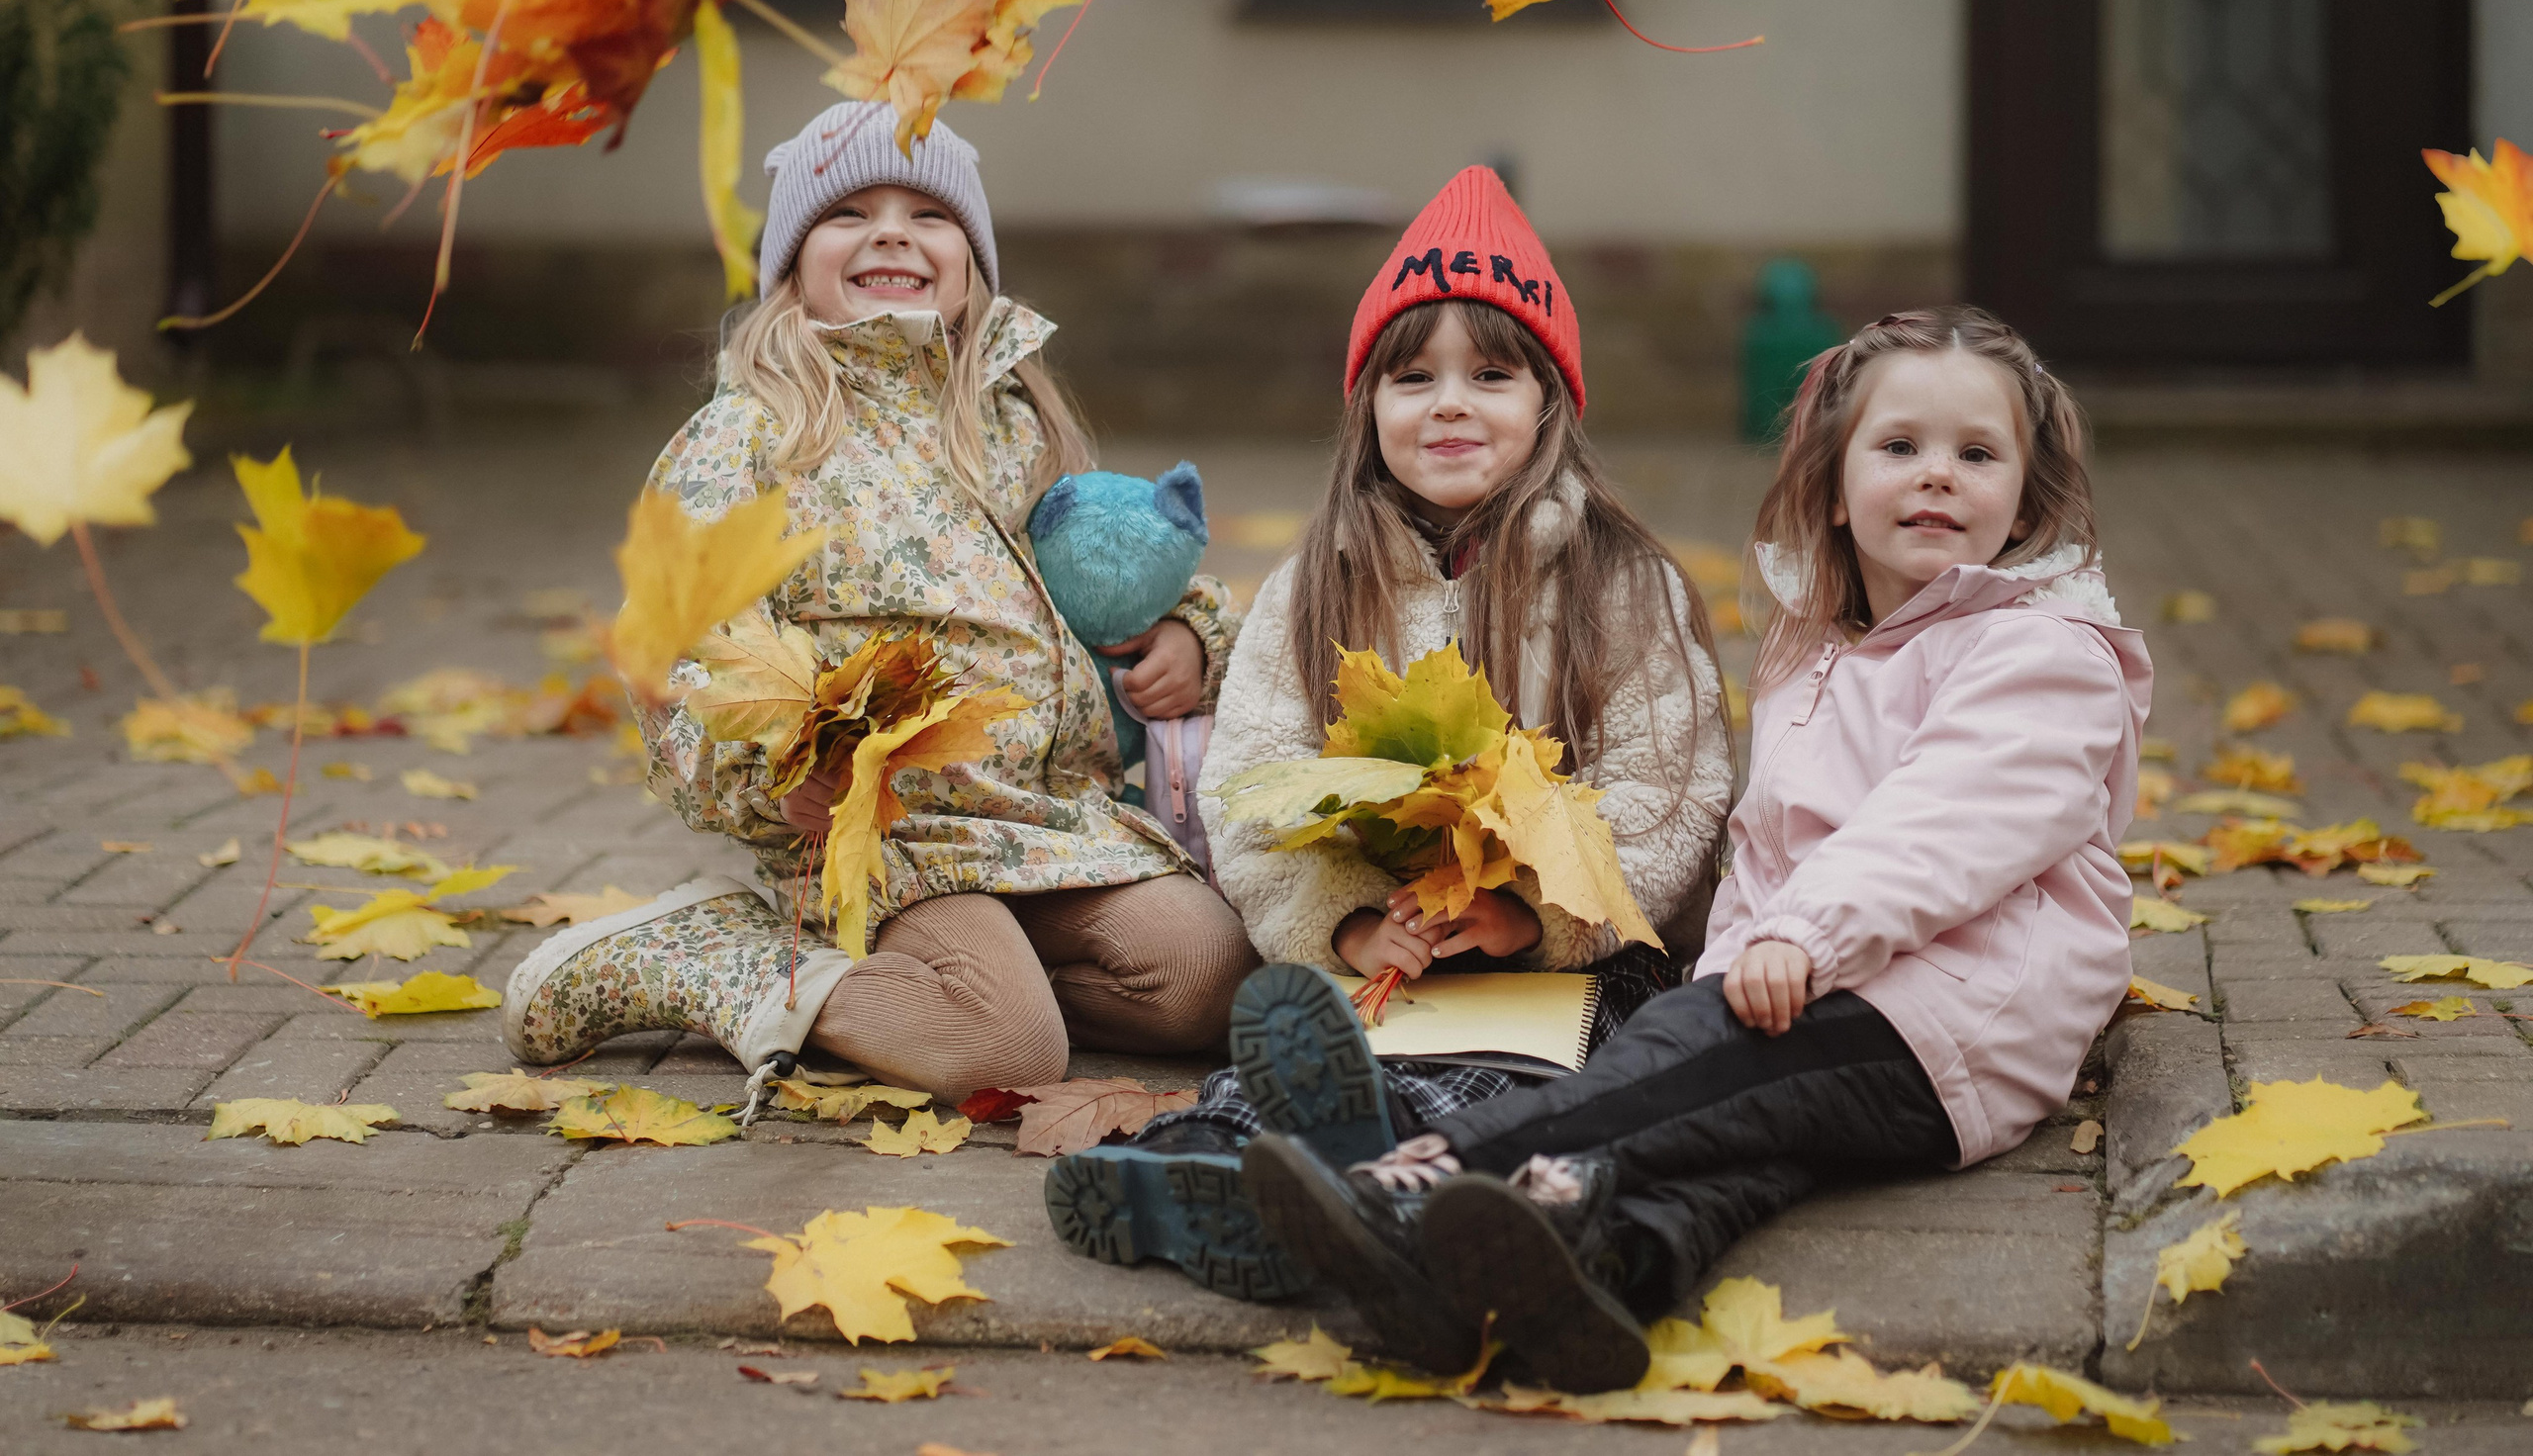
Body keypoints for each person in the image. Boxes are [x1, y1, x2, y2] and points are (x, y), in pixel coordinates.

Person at [1240, 306, 2150, 1392]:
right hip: (1838, 993)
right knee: (1732, 1156)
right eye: (1899, 448)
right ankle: (1592, 1279)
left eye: (1976, 454)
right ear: (1831, 485)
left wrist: (1791, 948)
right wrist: (1742, 963)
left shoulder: (2040, 654)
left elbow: (1948, 827)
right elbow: (1767, 851)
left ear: (2028, 496)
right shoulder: (1818, 652)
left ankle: (1418, 1178)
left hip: (1949, 1007)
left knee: (1669, 1073)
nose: (1937, 477)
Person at [1042, 166, 1734, 1301]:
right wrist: (1351, 925)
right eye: (1413, 377)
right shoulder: (1318, 583)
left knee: (1503, 1080)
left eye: (1491, 374)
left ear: (1552, 400)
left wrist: (1528, 916)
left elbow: (1670, 792)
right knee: (1316, 1063)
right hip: (1391, 950)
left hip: (1568, 961)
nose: (1448, 403)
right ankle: (1209, 1178)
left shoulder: (1624, 583)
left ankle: (1384, 1204)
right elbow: (1254, 783)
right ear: (1367, 405)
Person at [502, 102, 1257, 1106]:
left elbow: (1113, 563)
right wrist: (768, 774)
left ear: (971, 260)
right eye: (849, 211)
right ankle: (713, 957)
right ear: (791, 262)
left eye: (926, 213)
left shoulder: (1014, 426)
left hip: (1044, 824)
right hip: (881, 835)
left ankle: (973, 979)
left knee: (1209, 979)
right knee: (1008, 1057)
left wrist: (1186, 637)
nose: (891, 231)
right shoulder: (753, 438)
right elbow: (677, 656)